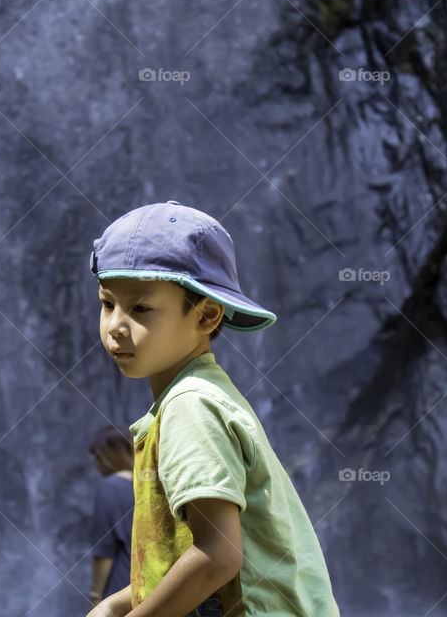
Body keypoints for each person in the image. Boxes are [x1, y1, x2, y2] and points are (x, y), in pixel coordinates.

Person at [84, 201, 341, 617]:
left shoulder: (192, 407)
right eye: (107, 303)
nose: (115, 325)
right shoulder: (200, 395)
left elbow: (219, 556)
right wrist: (116, 605)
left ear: (206, 316)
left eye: (141, 308)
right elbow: (190, 563)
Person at [87, 425, 135, 608]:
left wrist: (95, 597)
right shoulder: (149, 482)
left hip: (120, 584)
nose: (98, 464)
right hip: (148, 582)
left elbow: (104, 550)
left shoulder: (110, 486)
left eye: (98, 457)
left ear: (110, 455)